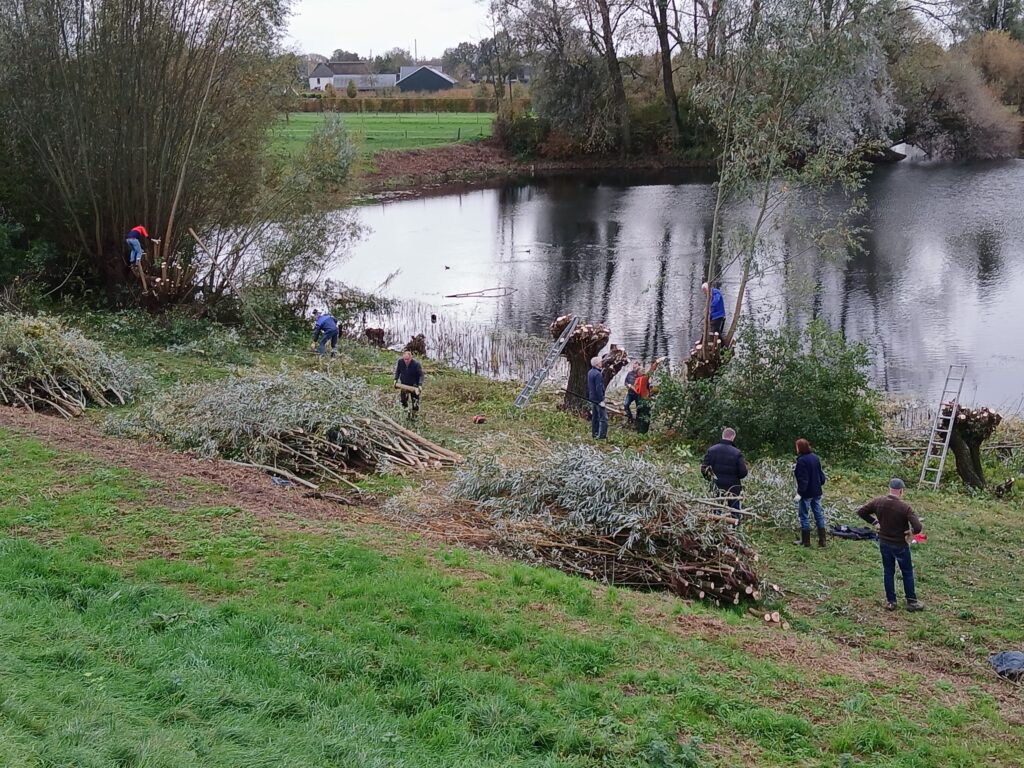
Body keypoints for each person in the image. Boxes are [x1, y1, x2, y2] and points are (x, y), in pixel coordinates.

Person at [857, 478, 924, 612]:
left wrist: (875, 522)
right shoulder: (905, 508)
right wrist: (910, 531)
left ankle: (891, 602)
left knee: (888, 571)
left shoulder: (878, 502)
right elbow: (918, 527)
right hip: (900, 544)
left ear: (889, 488)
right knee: (907, 572)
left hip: (884, 542)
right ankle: (911, 601)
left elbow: (861, 511)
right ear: (901, 491)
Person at [701, 427, 747, 522]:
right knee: (734, 510)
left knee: (715, 509)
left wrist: (711, 479)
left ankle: (715, 528)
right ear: (733, 437)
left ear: (722, 436)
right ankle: (735, 529)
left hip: (716, 486)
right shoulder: (737, 453)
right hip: (733, 487)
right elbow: (743, 473)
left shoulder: (711, 450)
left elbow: (704, 469)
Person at [793, 438, 828, 548]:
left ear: (800, 448)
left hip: (806, 493)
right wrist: (819, 484)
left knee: (804, 515)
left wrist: (800, 493)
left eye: (797, 446)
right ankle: (822, 540)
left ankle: (806, 541)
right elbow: (821, 475)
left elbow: (804, 479)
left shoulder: (802, 461)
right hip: (817, 491)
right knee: (818, 514)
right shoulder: (815, 457)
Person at [633, 358, 662, 435]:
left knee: (639, 415)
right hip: (644, 400)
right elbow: (650, 372)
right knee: (646, 416)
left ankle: (639, 431)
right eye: (642, 370)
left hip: (639, 399)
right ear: (639, 372)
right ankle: (643, 432)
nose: (644, 371)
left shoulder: (637, 380)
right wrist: (656, 363)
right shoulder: (643, 379)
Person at [395, 349, 424, 415]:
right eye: (405, 359)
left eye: (407, 359)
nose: (406, 361)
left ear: (411, 358)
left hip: (414, 385)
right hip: (404, 384)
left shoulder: (416, 364)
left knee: (415, 402)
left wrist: (420, 384)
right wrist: (395, 379)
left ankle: (414, 415)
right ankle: (405, 413)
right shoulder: (400, 362)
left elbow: (421, 375)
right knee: (403, 400)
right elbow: (398, 371)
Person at [587, 356, 607, 440]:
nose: (601, 363)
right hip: (598, 399)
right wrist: (601, 400)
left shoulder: (590, 372)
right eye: (600, 362)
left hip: (592, 397)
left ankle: (594, 434)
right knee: (603, 418)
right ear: (597, 364)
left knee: (595, 417)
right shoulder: (598, 374)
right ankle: (602, 437)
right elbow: (598, 388)